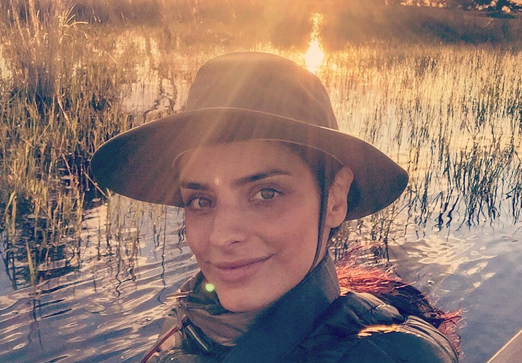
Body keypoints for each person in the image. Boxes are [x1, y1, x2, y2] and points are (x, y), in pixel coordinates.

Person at [91, 52, 459, 362]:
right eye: (201, 201)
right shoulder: (186, 325)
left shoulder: (395, 355)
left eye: (266, 193)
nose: (222, 236)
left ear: (334, 197)